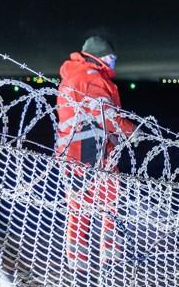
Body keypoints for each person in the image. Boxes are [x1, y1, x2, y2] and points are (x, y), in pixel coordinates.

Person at [55, 35, 136, 266]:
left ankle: (77, 262)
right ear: (100, 57)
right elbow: (107, 115)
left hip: (72, 152)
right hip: (92, 152)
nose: (114, 63)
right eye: (112, 58)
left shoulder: (74, 75)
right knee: (109, 204)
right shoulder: (91, 78)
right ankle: (111, 258)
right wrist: (131, 132)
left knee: (78, 208)